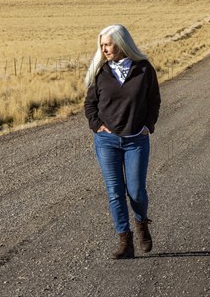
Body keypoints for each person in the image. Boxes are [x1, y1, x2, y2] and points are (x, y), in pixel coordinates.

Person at [84, 24, 161, 259]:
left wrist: (148, 125)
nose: (104, 49)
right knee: (115, 192)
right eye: (102, 45)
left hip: (136, 140)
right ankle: (125, 241)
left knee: (136, 191)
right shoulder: (100, 71)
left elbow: (154, 101)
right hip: (107, 142)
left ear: (121, 43)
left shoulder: (144, 69)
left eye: (108, 44)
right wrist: (97, 126)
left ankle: (141, 223)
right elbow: (90, 105)